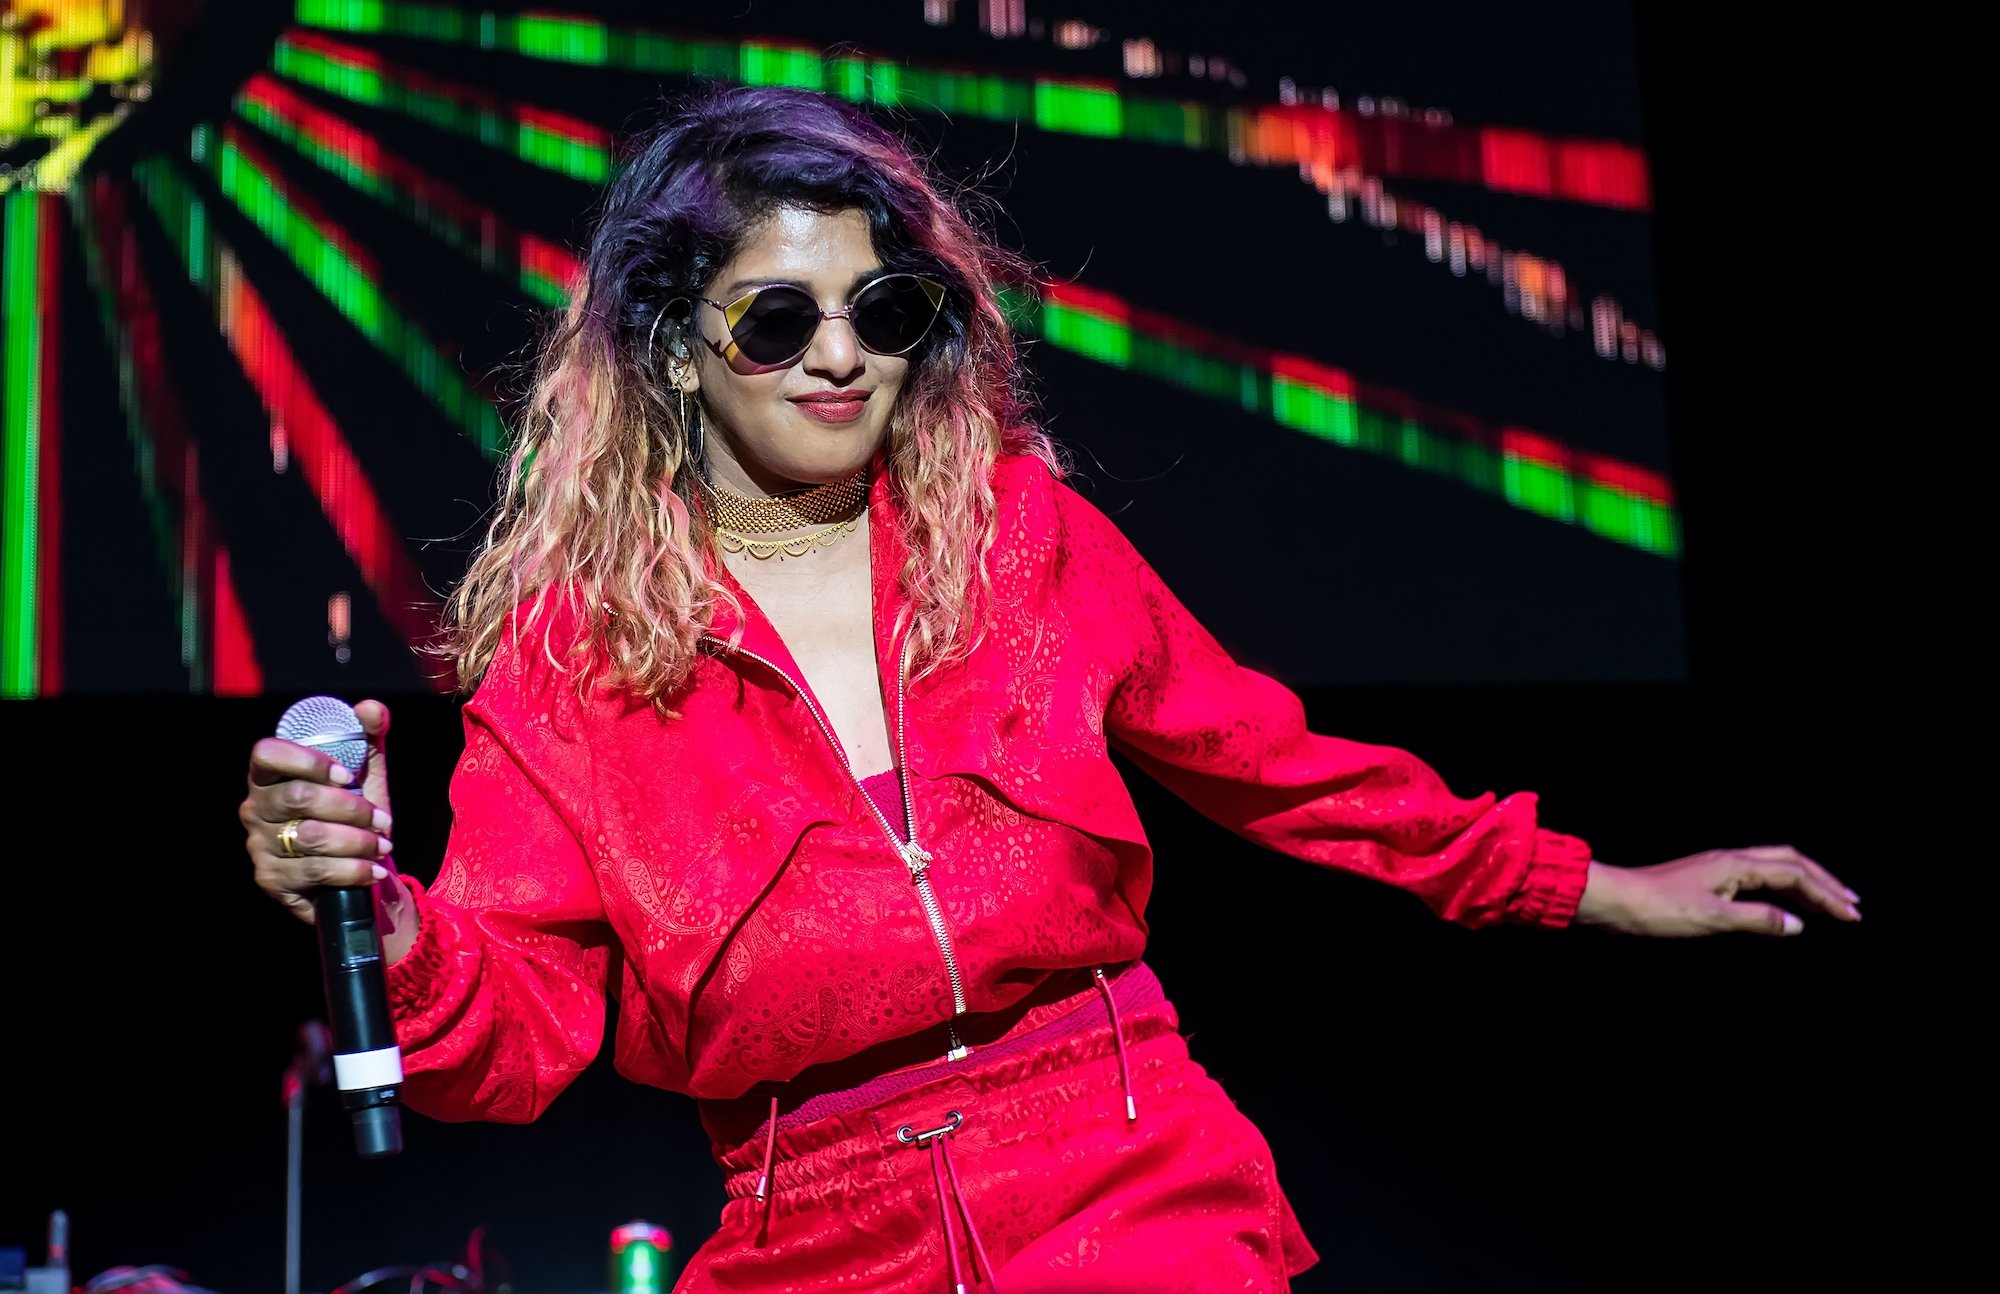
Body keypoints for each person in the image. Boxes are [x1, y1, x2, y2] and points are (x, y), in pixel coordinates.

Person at [238, 84, 1858, 1291]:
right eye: (774, 317)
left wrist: (1593, 886)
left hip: (1123, 1154)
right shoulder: (572, 658)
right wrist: (369, 909)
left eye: (884, 309)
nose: (840, 355)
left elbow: (1282, 765)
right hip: (811, 1222)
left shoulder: (1017, 537)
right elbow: (512, 1029)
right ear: (671, 346)